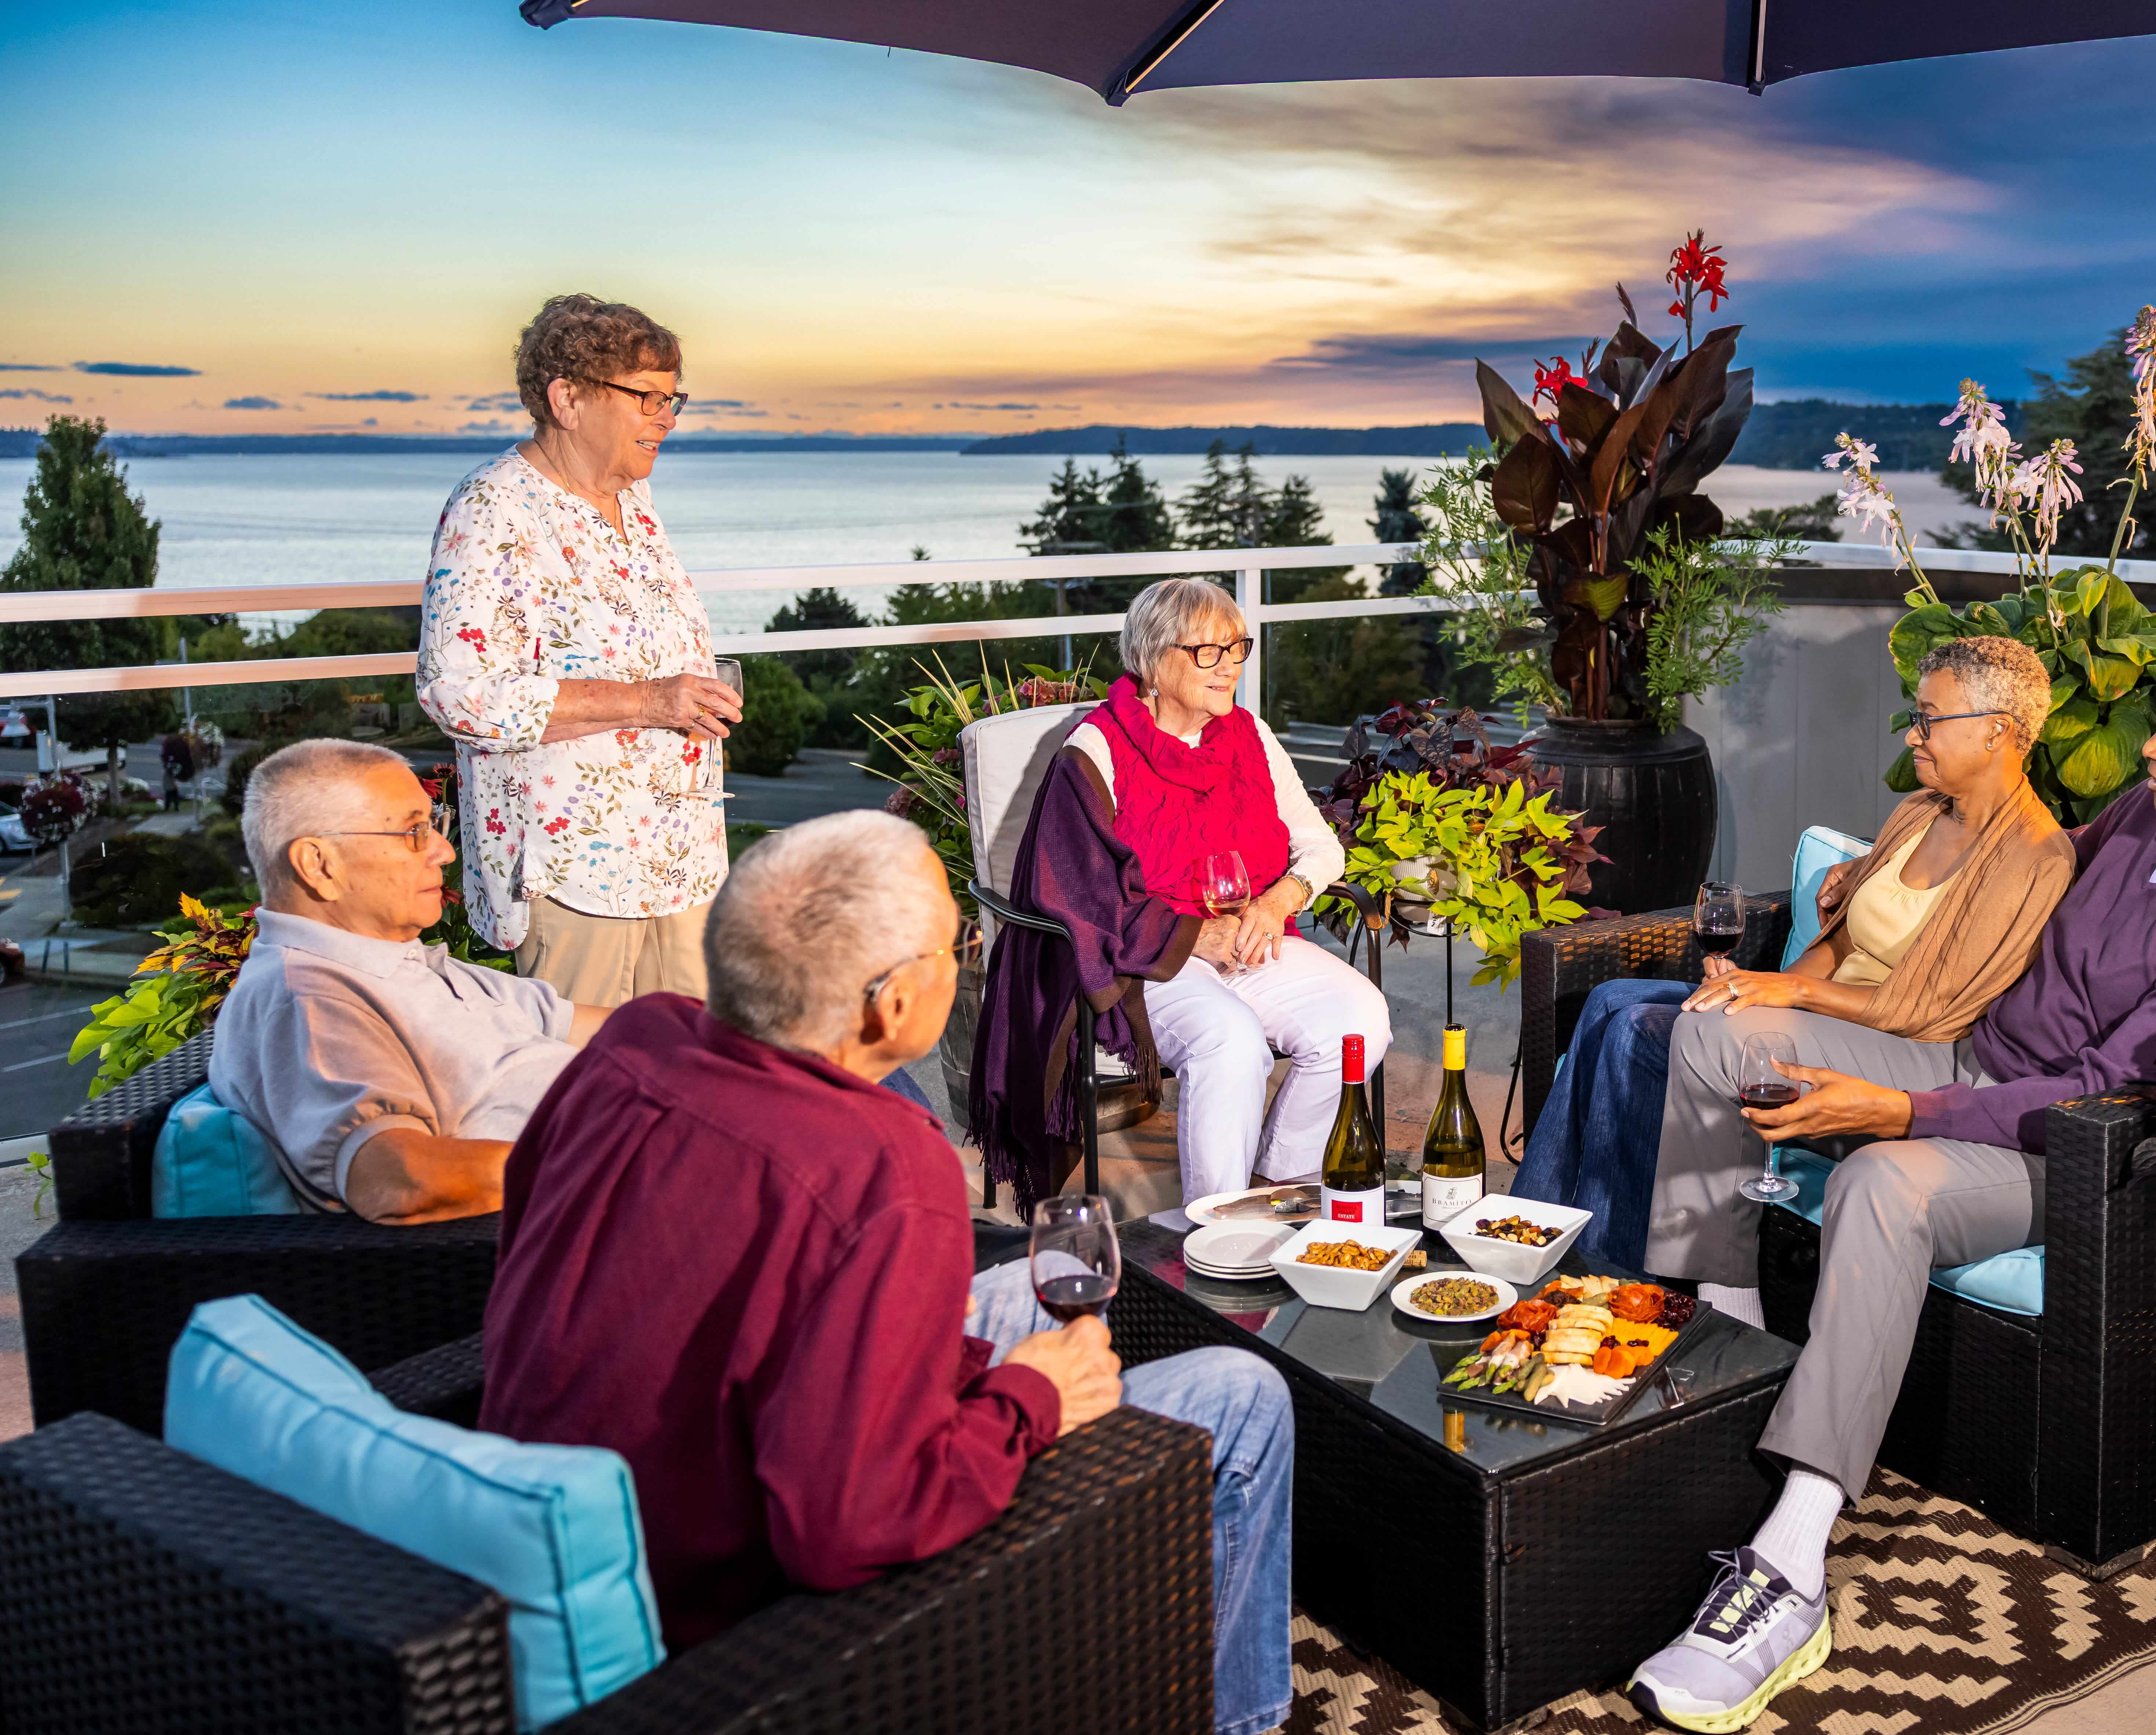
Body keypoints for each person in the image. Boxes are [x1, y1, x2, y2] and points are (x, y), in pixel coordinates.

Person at [1624, 646, 2156, 1733]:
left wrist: (1898, 1113)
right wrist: (1867, 876)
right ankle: (1722, 1332)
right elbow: (2021, 866)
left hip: (2067, 1150)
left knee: (1883, 1184)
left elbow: (2107, 1096)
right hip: (1968, 1060)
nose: (2146, 746)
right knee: (1718, 1032)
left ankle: (1791, 1568)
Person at [479, 812, 1296, 1735]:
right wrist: (1028, 1400)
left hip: (589, 1519)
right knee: (1242, 1392)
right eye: (957, 943)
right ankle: (1242, 1722)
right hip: (738, 1617)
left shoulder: (637, 1042)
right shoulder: (884, 1168)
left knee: (1045, 1274)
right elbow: (849, 1529)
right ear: (891, 1005)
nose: (969, 956)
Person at [1513, 637, 2075, 1264]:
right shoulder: (1919, 813)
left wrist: (1793, 995)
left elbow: (1934, 1009)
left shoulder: (2033, 857)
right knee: (1610, 999)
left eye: (1928, 719)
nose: (1913, 737)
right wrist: (1760, 987)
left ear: (1997, 731)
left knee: (1644, 1031)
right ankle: (1526, 1229)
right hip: (1821, 1017)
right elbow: (1837, 941)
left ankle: (1609, 1269)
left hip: (1895, 1049)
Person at [973, 577, 1389, 1203]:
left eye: (1237, 649)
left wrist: (1280, 901)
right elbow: (1077, 894)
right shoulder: (1094, 751)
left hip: (1250, 936)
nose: (1230, 669)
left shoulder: (1251, 735)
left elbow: (1321, 845)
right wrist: (1199, 936)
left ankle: (1277, 1186)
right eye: (1209, 652)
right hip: (1149, 958)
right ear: (1151, 661)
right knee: (1232, 1041)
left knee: (1362, 1021)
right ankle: (1218, 1227)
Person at [415, 293, 741, 1008]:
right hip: (575, 872)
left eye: (673, 397)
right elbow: (459, 693)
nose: (667, 416)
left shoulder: (636, 504)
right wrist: (651, 701)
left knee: (686, 1074)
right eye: (646, 396)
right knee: (584, 1088)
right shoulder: (495, 508)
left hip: (678, 859)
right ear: (567, 399)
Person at [208, 740, 610, 1222]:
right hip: (599, 1215)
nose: (443, 850)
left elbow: (610, 1027)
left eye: (433, 823)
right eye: (415, 832)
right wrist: (627, 1157)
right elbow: (400, 1180)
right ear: (319, 864)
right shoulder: (310, 1000)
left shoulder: (395, 961)